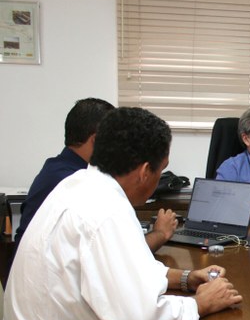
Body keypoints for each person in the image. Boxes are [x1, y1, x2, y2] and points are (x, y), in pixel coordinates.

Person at [2, 107, 243, 320]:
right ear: (145, 171)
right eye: (162, 170)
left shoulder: (80, 184)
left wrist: (185, 279)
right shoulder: (105, 210)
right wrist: (199, 304)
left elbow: (119, 271)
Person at [15, 97, 179, 252]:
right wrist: (160, 233)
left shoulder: (59, 170)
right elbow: (125, 255)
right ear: (97, 140)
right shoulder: (81, 187)